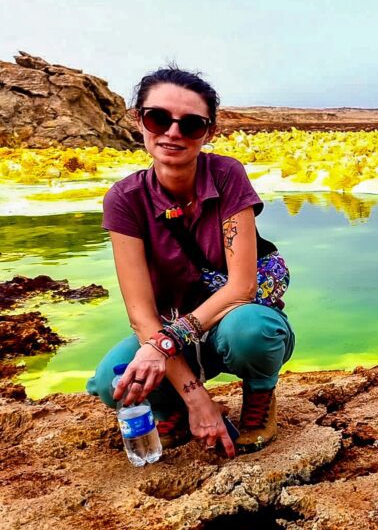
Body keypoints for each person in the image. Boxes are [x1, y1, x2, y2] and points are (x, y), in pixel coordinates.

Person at [86, 67, 295, 458]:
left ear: (209, 132)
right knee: (107, 383)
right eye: (158, 118)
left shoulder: (227, 175)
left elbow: (241, 288)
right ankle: (176, 411)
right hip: (169, 332)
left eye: (191, 124)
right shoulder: (125, 200)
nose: (173, 133)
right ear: (138, 119)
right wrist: (199, 399)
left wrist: (164, 344)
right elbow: (142, 315)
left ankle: (261, 395)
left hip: (227, 324)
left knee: (252, 329)